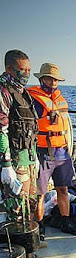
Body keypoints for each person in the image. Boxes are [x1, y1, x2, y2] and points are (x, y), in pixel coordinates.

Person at [28, 63, 76, 237]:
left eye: (55, 80)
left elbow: (65, 123)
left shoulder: (59, 98)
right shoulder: (33, 99)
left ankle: (66, 222)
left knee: (63, 189)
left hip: (62, 151)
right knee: (39, 194)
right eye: (49, 79)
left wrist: (69, 147)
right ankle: (39, 227)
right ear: (41, 79)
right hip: (43, 151)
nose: (52, 83)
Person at [0, 50, 38, 225]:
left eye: (29, 70)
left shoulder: (23, 93)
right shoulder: (4, 92)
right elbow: (2, 130)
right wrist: (6, 165)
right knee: (17, 206)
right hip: (15, 161)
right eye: (22, 70)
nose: (26, 74)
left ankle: (29, 247)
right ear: (9, 69)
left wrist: (34, 156)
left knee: (30, 203)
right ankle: (17, 248)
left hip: (28, 158)